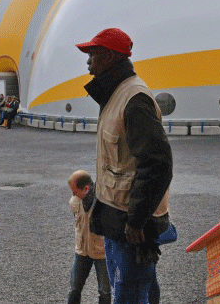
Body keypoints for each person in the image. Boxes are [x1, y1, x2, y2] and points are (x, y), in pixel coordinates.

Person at [76, 28, 173, 304]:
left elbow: (158, 164)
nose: (88, 63)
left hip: (132, 226)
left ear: (108, 57)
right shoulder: (115, 94)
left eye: (92, 55)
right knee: (135, 288)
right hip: (117, 220)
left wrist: (137, 220)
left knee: (130, 294)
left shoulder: (134, 99)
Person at [67, 170, 111, 304]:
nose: (73, 194)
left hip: (102, 253)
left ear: (86, 188)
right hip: (81, 251)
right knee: (74, 288)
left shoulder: (104, 201)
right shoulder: (74, 202)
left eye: (75, 191)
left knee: (105, 291)